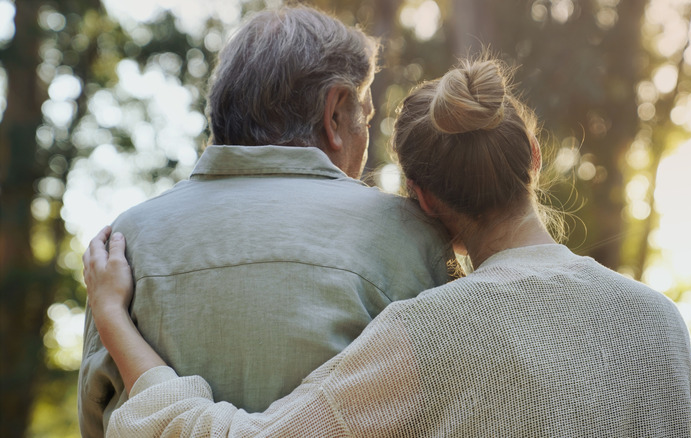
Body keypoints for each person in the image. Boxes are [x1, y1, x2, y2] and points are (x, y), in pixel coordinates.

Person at [84, 59, 691, 437]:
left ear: (423, 200)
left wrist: (114, 315)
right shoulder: (657, 320)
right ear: (536, 158)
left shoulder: (426, 335)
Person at [77, 6, 456, 438]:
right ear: (335, 113)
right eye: (365, 118)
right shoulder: (411, 236)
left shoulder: (122, 245)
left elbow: (97, 419)